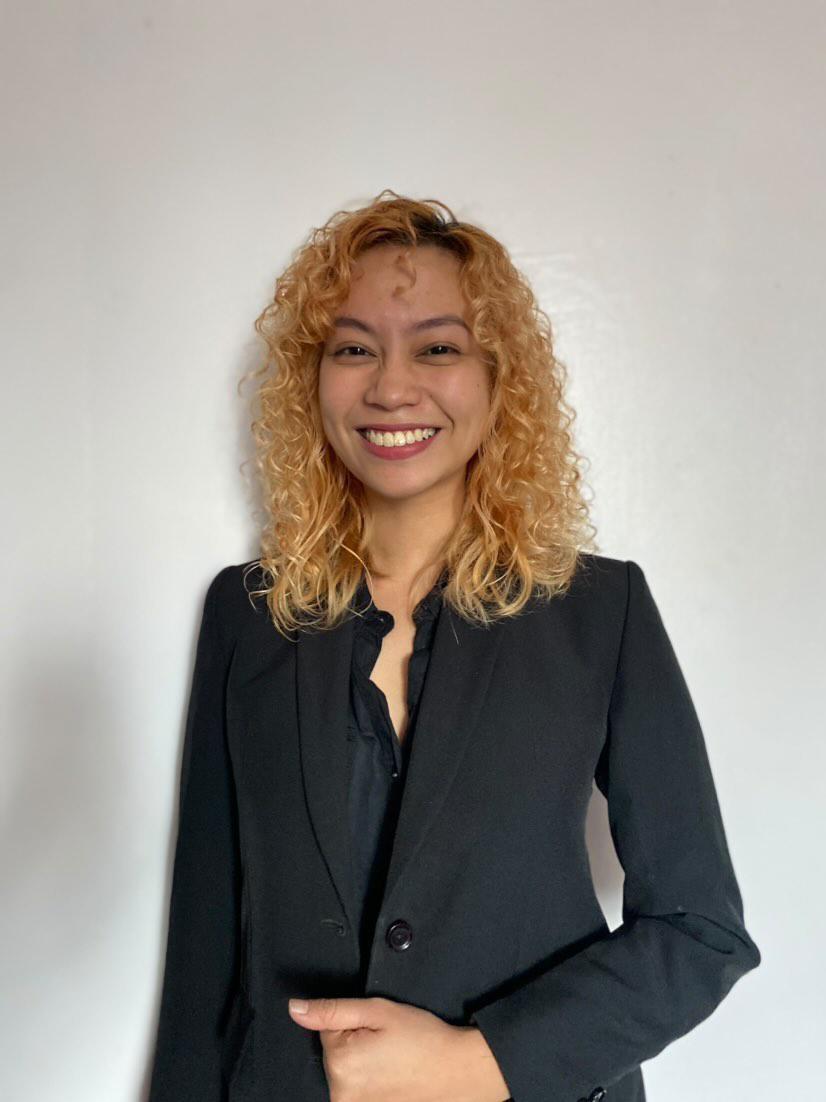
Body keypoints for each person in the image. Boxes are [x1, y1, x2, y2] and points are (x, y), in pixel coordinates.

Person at [147, 190, 761, 1102]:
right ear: (311, 378)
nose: (392, 388)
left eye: (437, 348)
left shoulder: (601, 612)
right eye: (353, 349)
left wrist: (480, 1062)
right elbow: (206, 951)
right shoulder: (248, 614)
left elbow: (700, 930)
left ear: (498, 378)